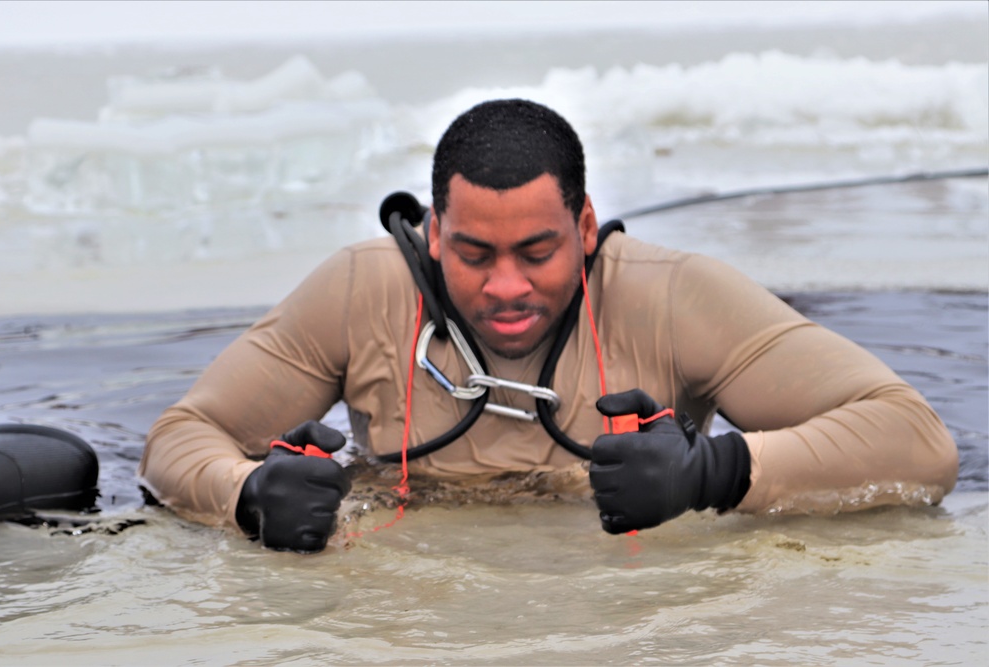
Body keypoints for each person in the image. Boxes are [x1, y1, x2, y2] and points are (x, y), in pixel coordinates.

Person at [139, 99, 958, 553]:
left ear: (586, 224)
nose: (505, 286)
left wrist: (714, 471)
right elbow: (182, 437)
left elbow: (918, 441)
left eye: (537, 251)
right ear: (432, 233)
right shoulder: (362, 291)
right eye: (472, 253)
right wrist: (247, 494)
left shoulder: (672, 296)